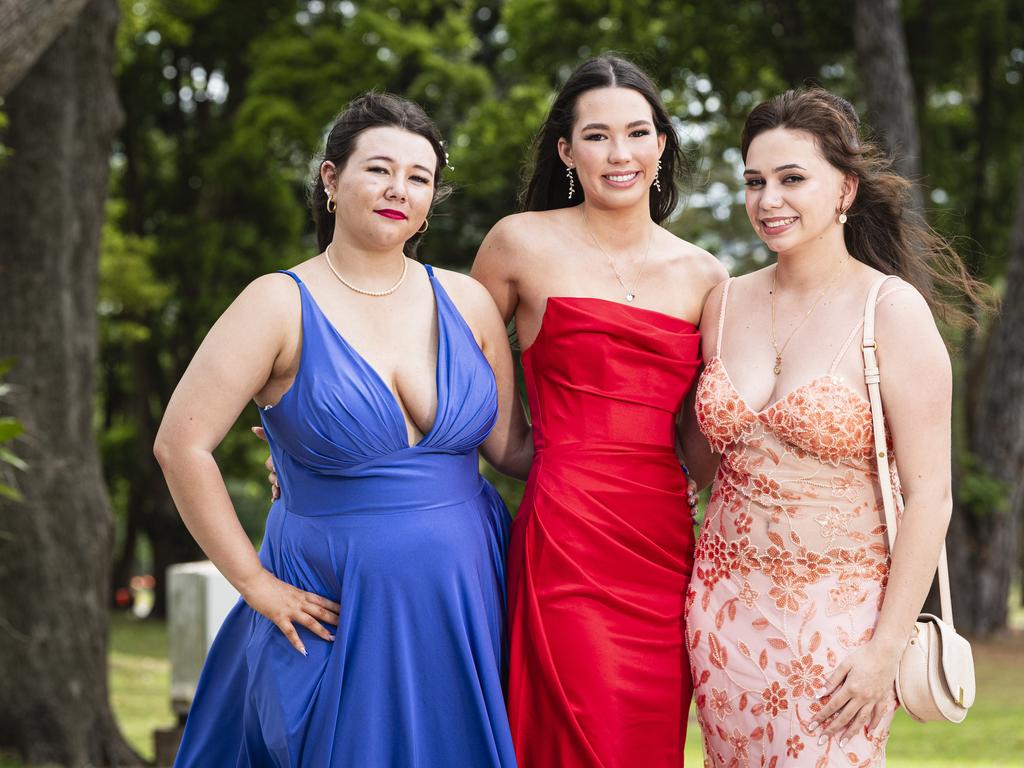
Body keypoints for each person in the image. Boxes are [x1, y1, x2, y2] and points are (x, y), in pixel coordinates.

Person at [154, 92, 530, 767]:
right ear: (331, 180)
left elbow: (511, 449)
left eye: (419, 177)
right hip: (337, 599)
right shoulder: (276, 303)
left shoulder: (466, 300)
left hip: (469, 591)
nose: (399, 190)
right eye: (379, 169)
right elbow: (181, 444)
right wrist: (254, 582)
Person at [682, 88, 983, 767]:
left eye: (793, 179)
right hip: (721, 613)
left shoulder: (891, 310)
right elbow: (701, 461)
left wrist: (883, 650)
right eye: (755, 181)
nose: (768, 200)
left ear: (845, 189)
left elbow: (930, 493)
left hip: (840, 625)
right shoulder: (723, 304)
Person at [471, 56, 727, 766]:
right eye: (597, 136)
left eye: (638, 133)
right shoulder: (518, 242)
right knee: (581, 733)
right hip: (567, 537)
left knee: (646, 742)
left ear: (663, 145)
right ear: (566, 151)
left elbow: (701, 438)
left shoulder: (707, 276)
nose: (621, 154)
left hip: (664, 543)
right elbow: (453, 385)